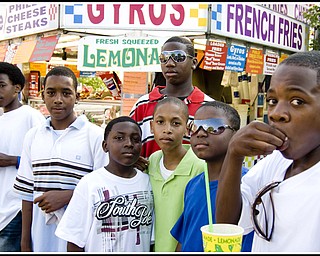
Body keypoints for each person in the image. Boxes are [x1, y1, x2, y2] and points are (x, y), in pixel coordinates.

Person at [215, 50, 320, 252]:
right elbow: (227, 223)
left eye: (297, 101)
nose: (277, 114)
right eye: (272, 101)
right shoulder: (275, 163)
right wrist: (234, 155)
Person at [13, 66, 108, 252]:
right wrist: (25, 242)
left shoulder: (96, 137)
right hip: (40, 237)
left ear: (77, 97)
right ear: (43, 95)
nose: (58, 100)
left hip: (81, 239)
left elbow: (104, 190)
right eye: (51, 92)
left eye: (66, 93)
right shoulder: (33, 136)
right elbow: (27, 194)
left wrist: (67, 196)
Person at [55, 116, 154, 252]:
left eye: (135, 139)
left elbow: (151, 240)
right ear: (105, 146)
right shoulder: (90, 184)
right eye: (119, 138)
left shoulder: (147, 182)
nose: (129, 144)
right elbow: (74, 241)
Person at [170, 101, 253, 252]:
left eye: (213, 126)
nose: (201, 133)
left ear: (236, 134)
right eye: (194, 127)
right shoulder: (193, 184)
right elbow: (185, 237)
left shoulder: (249, 183)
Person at [130, 36, 214, 158]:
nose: (169, 63)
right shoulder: (143, 104)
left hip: (195, 177)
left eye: (178, 57)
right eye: (164, 58)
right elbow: (130, 145)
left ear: (194, 63)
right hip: (149, 176)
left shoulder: (208, 108)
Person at [147, 96, 206, 251]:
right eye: (160, 122)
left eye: (176, 123)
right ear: (152, 126)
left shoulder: (199, 167)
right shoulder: (152, 161)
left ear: (187, 128)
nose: (167, 129)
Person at [0, 62, 45, 251]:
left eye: (1, 85)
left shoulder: (32, 117)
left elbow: (45, 161)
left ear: (17, 88)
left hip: (17, 208)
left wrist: (12, 160)